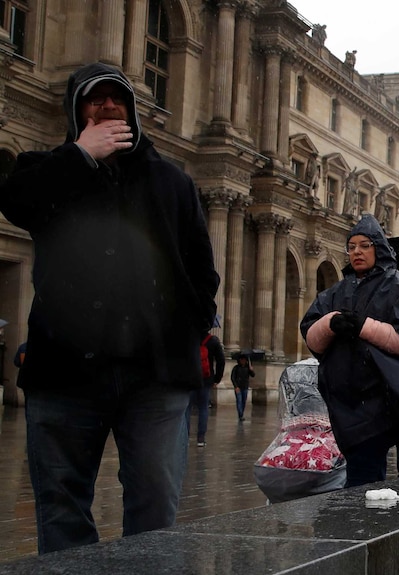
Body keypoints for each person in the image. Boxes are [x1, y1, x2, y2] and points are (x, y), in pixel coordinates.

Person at [0, 63, 219, 554]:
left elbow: (202, 273)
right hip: (65, 371)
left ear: (133, 110)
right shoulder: (46, 168)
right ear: (76, 112)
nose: (105, 106)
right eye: (92, 100)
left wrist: (191, 330)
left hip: (156, 375)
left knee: (155, 512)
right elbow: (16, 203)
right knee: (61, 508)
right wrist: (80, 158)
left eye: (115, 98)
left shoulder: (172, 182)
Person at [301, 214, 399, 487]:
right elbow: (311, 335)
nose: (357, 252)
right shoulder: (334, 293)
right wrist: (330, 323)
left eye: (364, 245)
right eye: (351, 247)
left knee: (363, 469)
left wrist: (364, 326)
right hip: (343, 395)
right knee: (365, 470)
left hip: (379, 394)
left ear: (379, 247)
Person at [188, 330, 226, 446]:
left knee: (187, 409)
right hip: (206, 379)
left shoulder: (190, 337)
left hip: (191, 378)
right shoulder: (213, 341)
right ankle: (200, 438)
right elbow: (221, 361)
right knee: (203, 409)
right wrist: (217, 379)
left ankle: (185, 436)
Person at [230, 355, 255, 421]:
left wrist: (251, 370)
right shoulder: (236, 368)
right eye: (242, 360)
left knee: (243, 401)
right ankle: (240, 414)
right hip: (238, 387)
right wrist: (236, 386)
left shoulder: (248, 368)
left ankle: (241, 413)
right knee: (239, 400)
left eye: (244, 360)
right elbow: (233, 378)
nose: (243, 361)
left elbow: (253, 375)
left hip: (245, 387)